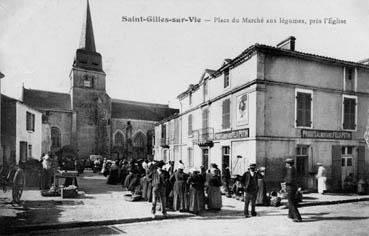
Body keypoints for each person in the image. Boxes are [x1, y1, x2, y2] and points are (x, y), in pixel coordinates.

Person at [284, 158, 302, 222]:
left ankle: (297, 217)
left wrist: (285, 183)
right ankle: (290, 215)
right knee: (292, 201)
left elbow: (289, 180)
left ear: (289, 164)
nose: (285, 164)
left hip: (290, 188)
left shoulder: (290, 170)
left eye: (286, 163)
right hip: (294, 187)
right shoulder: (294, 168)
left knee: (291, 203)